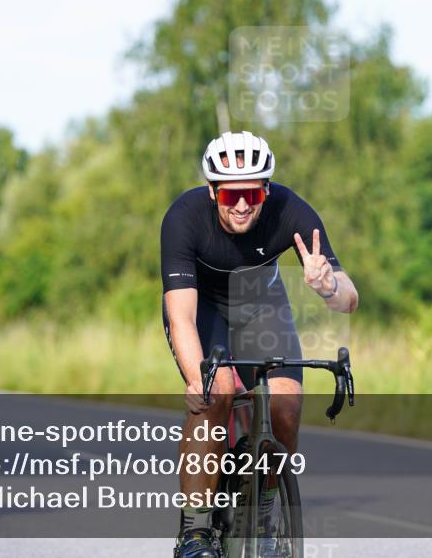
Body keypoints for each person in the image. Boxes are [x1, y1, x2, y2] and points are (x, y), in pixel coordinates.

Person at [162, 131, 358, 558]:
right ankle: (195, 532)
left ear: (266, 189)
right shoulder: (184, 217)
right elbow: (180, 316)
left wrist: (327, 287)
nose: (242, 204)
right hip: (204, 311)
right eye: (231, 194)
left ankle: (264, 518)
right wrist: (199, 378)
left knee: (286, 404)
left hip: (262, 306)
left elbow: (349, 299)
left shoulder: (290, 209)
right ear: (213, 191)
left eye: (252, 191)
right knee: (217, 394)